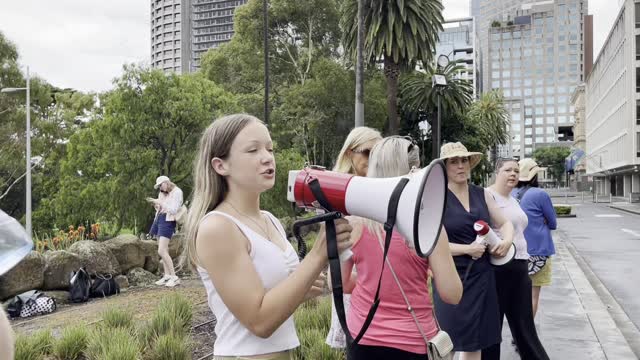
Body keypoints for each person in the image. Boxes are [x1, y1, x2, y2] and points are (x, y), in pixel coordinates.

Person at [182, 114, 353, 359]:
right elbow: (260, 321)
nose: (267, 157)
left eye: (270, 148)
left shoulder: (269, 219)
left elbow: (272, 296)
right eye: (253, 150)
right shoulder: (217, 227)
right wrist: (317, 256)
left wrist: (301, 288)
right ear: (221, 165)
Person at [339, 136, 462, 360]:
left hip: (362, 337)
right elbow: (452, 294)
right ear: (415, 172)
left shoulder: (354, 221)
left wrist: (374, 280)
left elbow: (340, 283)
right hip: (412, 341)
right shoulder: (428, 226)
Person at [433, 142, 515, 360]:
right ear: (444, 167)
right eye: (454, 161)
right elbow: (428, 244)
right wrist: (466, 249)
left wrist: (506, 241)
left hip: (482, 278)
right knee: (446, 344)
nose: (460, 166)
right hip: (449, 277)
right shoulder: (435, 199)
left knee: (476, 343)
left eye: (464, 160)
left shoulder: (482, 194)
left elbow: (506, 223)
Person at [482, 158, 549, 360]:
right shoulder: (487, 195)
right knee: (492, 326)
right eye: (507, 170)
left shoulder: (514, 199)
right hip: (497, 267)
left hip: (520, 265)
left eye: (516, 171)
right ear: (497, 172)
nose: (513, 174)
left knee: (524, 324)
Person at [325, 126, 382, 349]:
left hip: (378, 284)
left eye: (378, 153)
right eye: (368, 152)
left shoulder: (379, 186)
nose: (373, 159)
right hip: (353, 279)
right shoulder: (335, 190)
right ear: (350, 153)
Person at [512, 158, 557, 319]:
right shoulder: (540, 194)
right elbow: (553, 223)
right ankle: (526, 334)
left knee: (516, 295)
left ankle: (516, 332)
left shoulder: (510, 193)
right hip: (538, 251)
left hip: (514, 252)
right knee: (533, 296)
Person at [147, 175, 183, 287]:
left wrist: (161, 203)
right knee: (163, 249)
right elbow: (161, 208)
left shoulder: (177, 192)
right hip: (159, 219)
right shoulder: (162, 193)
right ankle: (167, 276)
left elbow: (173, 209)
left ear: (166, 183)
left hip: (168, 221)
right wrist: (157, 205)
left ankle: (174, 277)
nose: (160, 189)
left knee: (161, 250)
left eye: (160, 186)